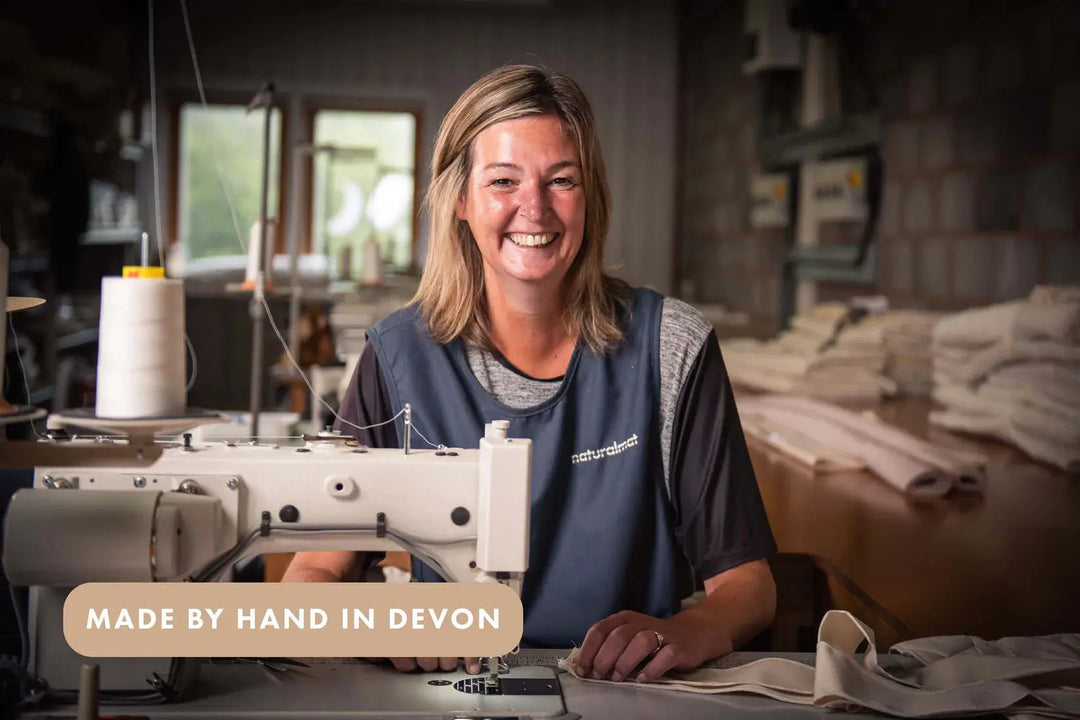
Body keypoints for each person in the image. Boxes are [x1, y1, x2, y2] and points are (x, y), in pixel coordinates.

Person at [283, 64, 777, 684]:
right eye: (503, 180)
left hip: (628, 692)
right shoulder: (396, 357)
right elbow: (313, 575)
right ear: (461, 200)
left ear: (590, 195)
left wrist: (690, 630)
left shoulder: (670, 347)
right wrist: (385, 620)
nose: (534, 207)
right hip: (448, 687)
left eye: (561, 180)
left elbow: (748, 585)